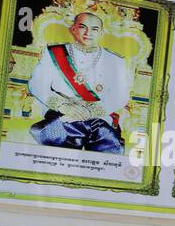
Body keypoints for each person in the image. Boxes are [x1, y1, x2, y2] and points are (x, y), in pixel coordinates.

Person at [26, 11, 132, 153]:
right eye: (83, 27)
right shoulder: (54, 52)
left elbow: (120, 95)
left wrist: (90, 111)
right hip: (61, 116)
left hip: (99, 119)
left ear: (101, 33)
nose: (88, 33)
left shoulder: (116, 61)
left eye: (94, 29)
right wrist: (64, 106)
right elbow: (37, 84)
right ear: (73, 29)